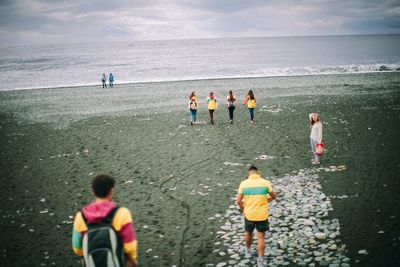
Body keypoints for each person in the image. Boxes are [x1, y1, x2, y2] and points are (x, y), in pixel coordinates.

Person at [72, 174, 138, 267]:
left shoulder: (80, 217)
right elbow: (130, 245)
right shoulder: (122, 213)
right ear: (111, 191)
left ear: (93, 192)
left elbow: (77, 248)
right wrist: (132, 260)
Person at [236, 165, 277, 267]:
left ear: (249, 173)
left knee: (248, 233)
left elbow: (238, 201)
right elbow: (274, 196)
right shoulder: (265, 182)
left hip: (249, 214)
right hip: (262, 214)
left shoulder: (244, 184)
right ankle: (260, 261)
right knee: (261, 237)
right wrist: (267, 200)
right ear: (258, 173)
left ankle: (247, 251)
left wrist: (243, 209)